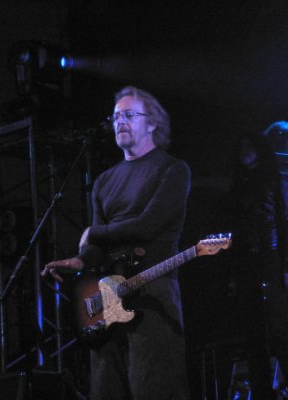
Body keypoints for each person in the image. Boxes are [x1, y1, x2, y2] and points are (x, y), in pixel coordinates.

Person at [41, 86, 191, 400]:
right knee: (106, 388)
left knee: (153, 387)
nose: (120, 121)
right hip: (109, 297)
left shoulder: (173, 169)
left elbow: (148, 225)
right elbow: (98, 246)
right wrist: (81, 260)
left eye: (129, 115)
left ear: (152, 123)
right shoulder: (104, 181)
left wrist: (94, 232)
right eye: (116, 116)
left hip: (153, 291)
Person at [222, 122, 288, 400]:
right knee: (253, 333)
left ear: (260, 149)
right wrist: (234, 274)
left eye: (249, 146)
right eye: (241, 147)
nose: (244, 151)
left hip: (270, 257)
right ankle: (262, 393)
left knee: (278, 328)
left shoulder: (277, 180)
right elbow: (235, 231)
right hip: (246, 261)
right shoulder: (238, 186)